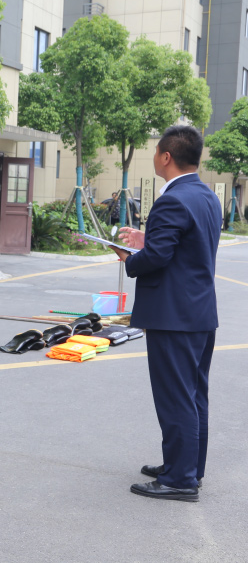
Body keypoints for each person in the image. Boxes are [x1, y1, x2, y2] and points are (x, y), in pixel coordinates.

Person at [112, 126, 222, 502]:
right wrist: (148, 242)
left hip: (174, 316)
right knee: (193, 396)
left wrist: (130, 258)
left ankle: (179, 479)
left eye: (156, 152)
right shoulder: (206, 196)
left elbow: (157, 258)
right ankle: (187, 467)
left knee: (175, 397)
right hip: (199, 313)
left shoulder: (172, 200)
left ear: (166, 157)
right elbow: (186, 248)